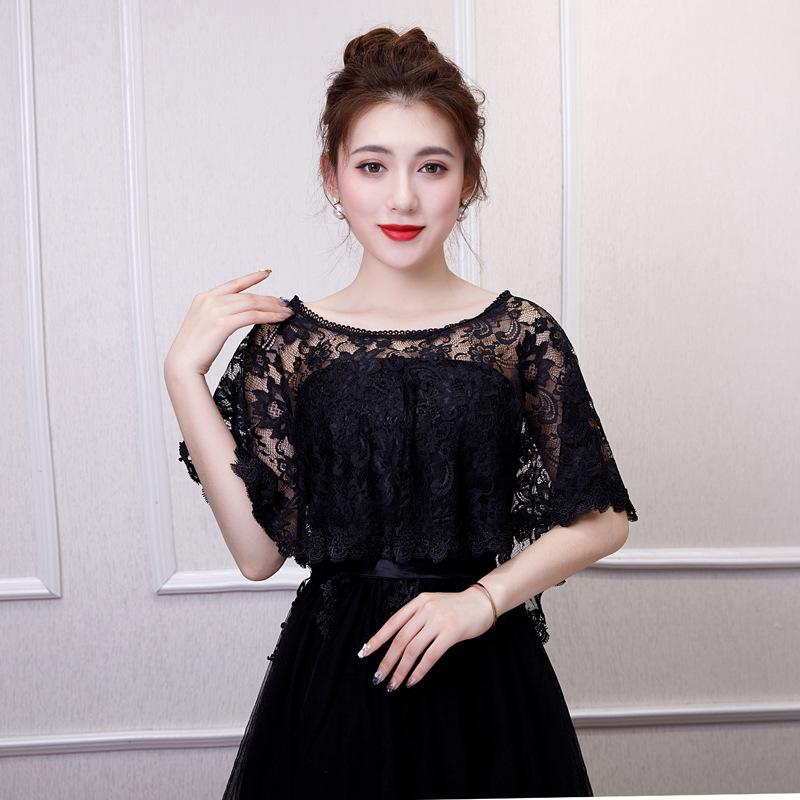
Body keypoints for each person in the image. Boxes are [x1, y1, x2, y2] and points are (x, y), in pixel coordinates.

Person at [164, 25, 638, 800]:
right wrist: (183, 374)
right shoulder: (288, 345)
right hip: (337, 682)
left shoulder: (520, 333)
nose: (403, 198)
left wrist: (481, 602)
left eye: (433, 167)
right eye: (373, 166)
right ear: (332, 176)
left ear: (468, 180)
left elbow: (604, 518)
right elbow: (257, 554)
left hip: (487, 673)